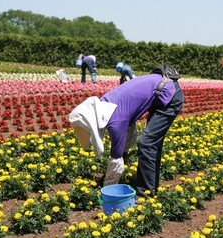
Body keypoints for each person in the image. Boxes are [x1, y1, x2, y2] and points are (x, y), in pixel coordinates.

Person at [69, 65, 184, 199]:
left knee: (147, 143)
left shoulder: (115, 120)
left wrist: (108, 187)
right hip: (161, 89)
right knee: (151, 144)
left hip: (170, 94)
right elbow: (130, 131)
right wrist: (122, 154)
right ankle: (152, 186)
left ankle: (145, 194)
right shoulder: (105, 104)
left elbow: (116, 157)